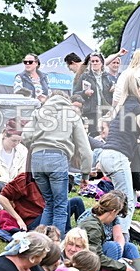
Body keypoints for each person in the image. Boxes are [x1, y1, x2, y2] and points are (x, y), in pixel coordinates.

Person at [25, 90, 92, 237]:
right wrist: (85, 174)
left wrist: (36, 145)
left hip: (37, 159)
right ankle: (55, 248)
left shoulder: (39, 112)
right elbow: (85, 150)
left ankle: (41, 242)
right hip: (57, 158)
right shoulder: (72, 115)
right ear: (67, 100)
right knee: (61, 206)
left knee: (49, 203)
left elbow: (26, 136)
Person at [98, 76, 140, 238]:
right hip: (117, 157)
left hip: (106, 155)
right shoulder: (135, 107)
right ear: (139, 90)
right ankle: (121, 234)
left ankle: (107, 229)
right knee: (127, 200)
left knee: (116, 199)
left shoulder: (123, 107)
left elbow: (126, 133)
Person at [76, 52, 113, 136]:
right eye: (92, 61)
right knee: (93, 135)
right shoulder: (84, 76)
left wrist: (113, 90)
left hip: (105, 111)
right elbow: (75, 93)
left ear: (102, 63)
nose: (94, 63)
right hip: (91, 112)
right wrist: (84, 93)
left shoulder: (107, 77)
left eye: (97, 61)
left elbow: (111, 94)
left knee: (106, 134)